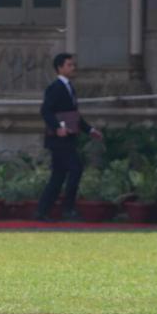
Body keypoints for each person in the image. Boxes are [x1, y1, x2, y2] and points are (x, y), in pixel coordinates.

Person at [36, 53, 101, 222]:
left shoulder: (69, 88)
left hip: (68, 137)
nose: (73, 68)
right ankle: (68, 208)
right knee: (75, 168)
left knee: (58, 176)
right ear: (60, 68)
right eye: (70, 65)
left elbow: (74, 115)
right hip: (59, 140)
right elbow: (46, 111)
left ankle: (42, 211)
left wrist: (90, 130)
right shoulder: (55, 87)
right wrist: (57, 128)